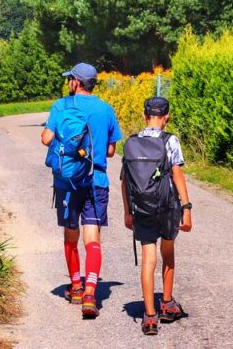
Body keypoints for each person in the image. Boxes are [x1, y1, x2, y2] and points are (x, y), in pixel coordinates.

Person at [41, 62, 123, 319]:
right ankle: (90, 293)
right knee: (93, 239)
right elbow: (111, 151)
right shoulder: (106, 110)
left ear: (76, 82)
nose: (68, 83)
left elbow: (45, 138)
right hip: (96, 180)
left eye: (70, 80)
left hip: (68, 183)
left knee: (70, 236)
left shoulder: (61, 106)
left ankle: (75, 286)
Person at [120, 96, 193, 336]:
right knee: (168, 252)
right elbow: (178, 175)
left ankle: (149, 317)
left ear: (144, 115)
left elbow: (125, 181)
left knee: (148, 258)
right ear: (166, 116)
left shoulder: (132, 142)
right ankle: (167, 304)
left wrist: (128, 211)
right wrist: (187, 208)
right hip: (167, 206)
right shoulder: (170, 140)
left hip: (141, 207)